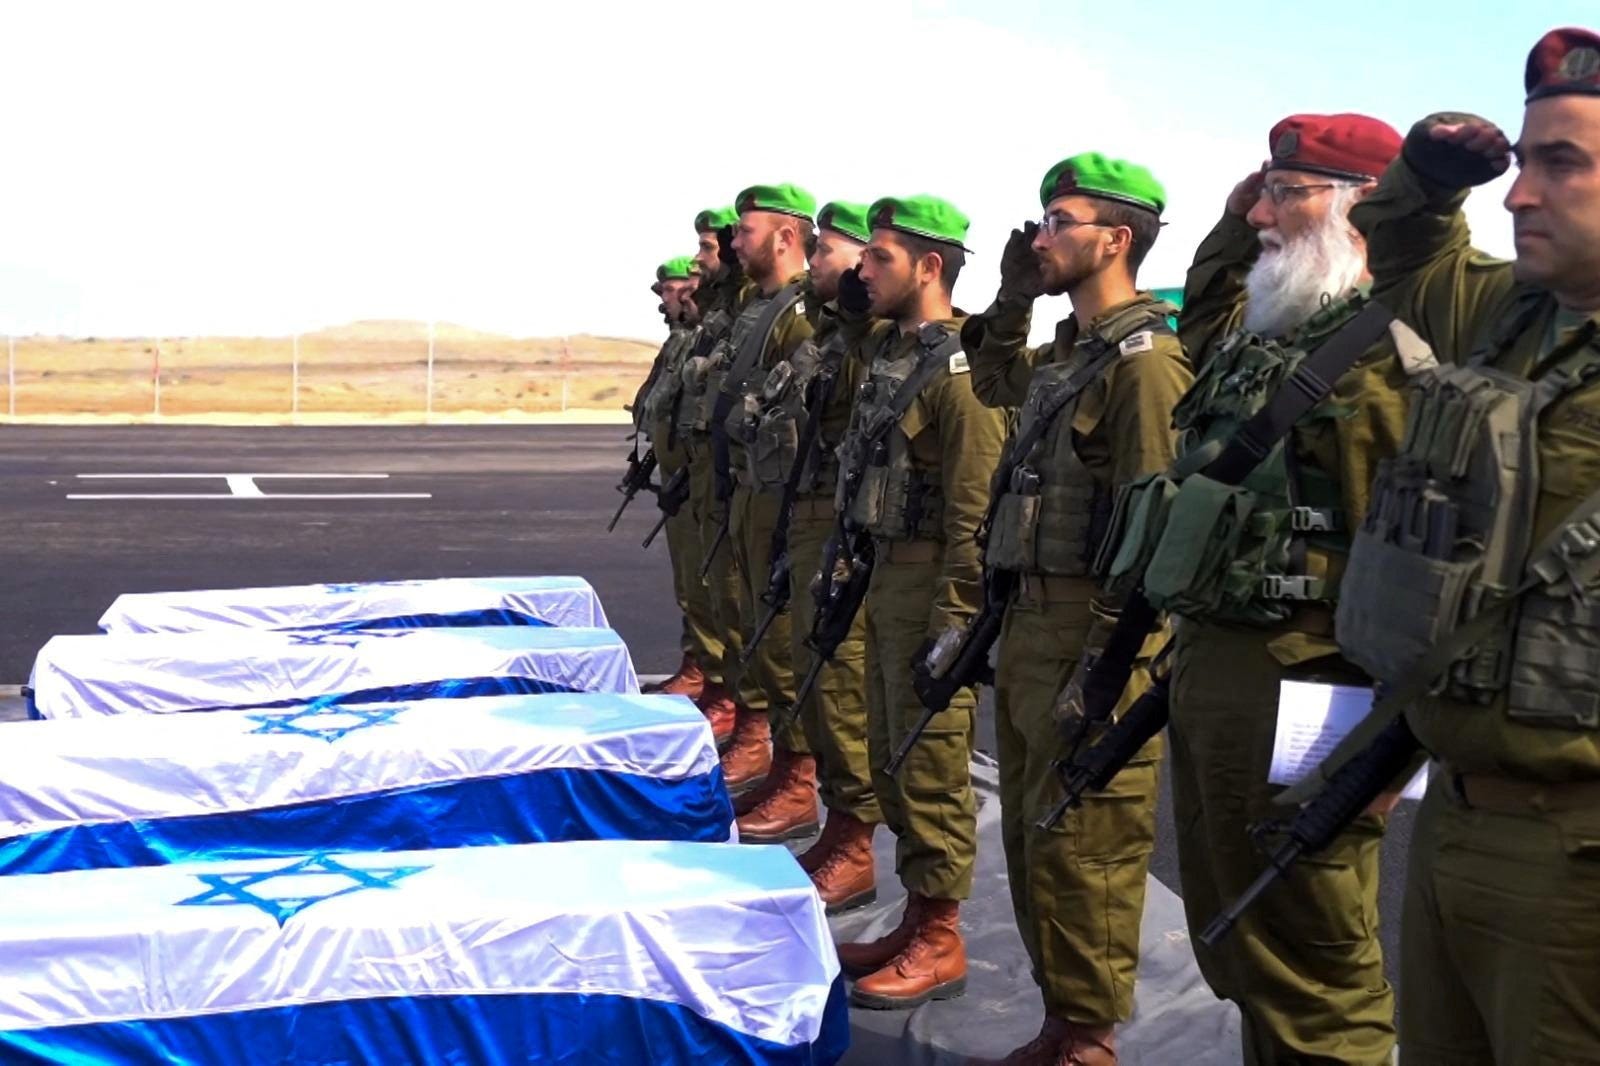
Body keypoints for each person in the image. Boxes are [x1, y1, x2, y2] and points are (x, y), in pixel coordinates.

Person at [1094, 113, 1418, 1064]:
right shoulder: (1272, 331)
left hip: (1313, 680)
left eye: (1291, 193)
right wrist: (1239, 222)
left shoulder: (1391, 350)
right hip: (1218, 664)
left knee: (1314, 958)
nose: (1269, 213)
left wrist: (1391, 754)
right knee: (1236, 933)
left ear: (1363, 207)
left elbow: (1424, 572)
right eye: (1264, 191)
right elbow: (1202, 314)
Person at [1334, 26, 1600, 1064]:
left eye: (1561, 162)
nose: (1520, 195)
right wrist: (1427, 172)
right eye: (1522, 163)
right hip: (1450, 814)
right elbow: (1399, 242)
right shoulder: (1511, 316)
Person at [962, 153, 1192, 1066]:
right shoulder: (1066, 356)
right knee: (1031, 836)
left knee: (1084, 844)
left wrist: (1108, 666)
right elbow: (985, 382)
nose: (1042, 235)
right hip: (1029, 624)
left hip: (1094, 637)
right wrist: (1012, 296)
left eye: (1061, 221)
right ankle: (1063, 1021)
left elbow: (1155, 531)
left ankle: (1090, 1039)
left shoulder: (1146, 366)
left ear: (1116, 239)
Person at [830, 195, 1006, 1010]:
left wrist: (955, 619)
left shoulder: (961, 371)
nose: (864, 270)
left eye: (882, 258)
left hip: (932, 586)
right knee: (891, 755)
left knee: (930, 762)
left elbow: (975, 508)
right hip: (882, 576)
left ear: (929, 268)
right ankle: (917, 915)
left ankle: (941, 936)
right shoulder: (897, 355)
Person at [734, 201, 885, 909]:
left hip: (842, 524)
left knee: (840, 685)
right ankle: (823, 811)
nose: (816, 262)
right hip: (805, 511)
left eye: (830, 250)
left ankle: (853, 840)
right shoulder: (826, 332)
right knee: (810, 670)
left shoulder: (875, 342)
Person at [713, 183, 818, 808]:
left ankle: (797, 778)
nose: (733, 242)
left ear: (784, 237)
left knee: (780, 643)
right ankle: (770, 751)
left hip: (782, 500)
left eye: (744, 231)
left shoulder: (799, 316)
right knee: (753, 626)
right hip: (753, 489)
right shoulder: (765, 308)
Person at [676, 205, 749, 744]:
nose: (702, 263)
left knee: (743, 608)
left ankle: (742, 713)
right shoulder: (738, 315)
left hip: (752, 490)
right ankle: (720, 689)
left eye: (710, 248)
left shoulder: (781, 316)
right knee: (706, 590)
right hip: (708, 477)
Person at [636, 257, 719, 712]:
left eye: (673, 289)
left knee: (708, 587)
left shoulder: (710, 339)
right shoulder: (679, 343)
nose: (667, 300)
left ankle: (717, 682)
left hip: (701, 479)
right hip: (681, 477)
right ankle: (700, 667)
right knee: (691, 585)